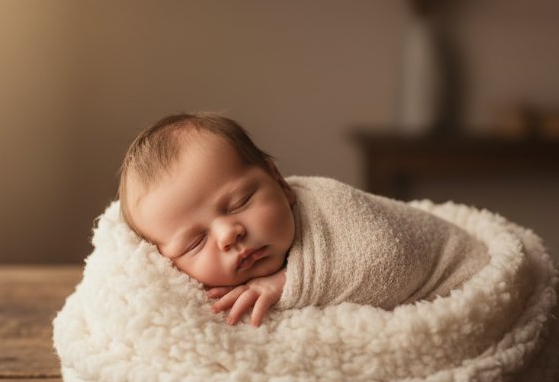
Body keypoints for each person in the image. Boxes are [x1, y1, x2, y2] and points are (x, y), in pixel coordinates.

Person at [118, 113, 487, 328]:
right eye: (195, 243)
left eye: (240, 202)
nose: (228, 234)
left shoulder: (329, 206)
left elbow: (389, 260)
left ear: (279, 182)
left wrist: (288, 283)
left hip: (466, 275)